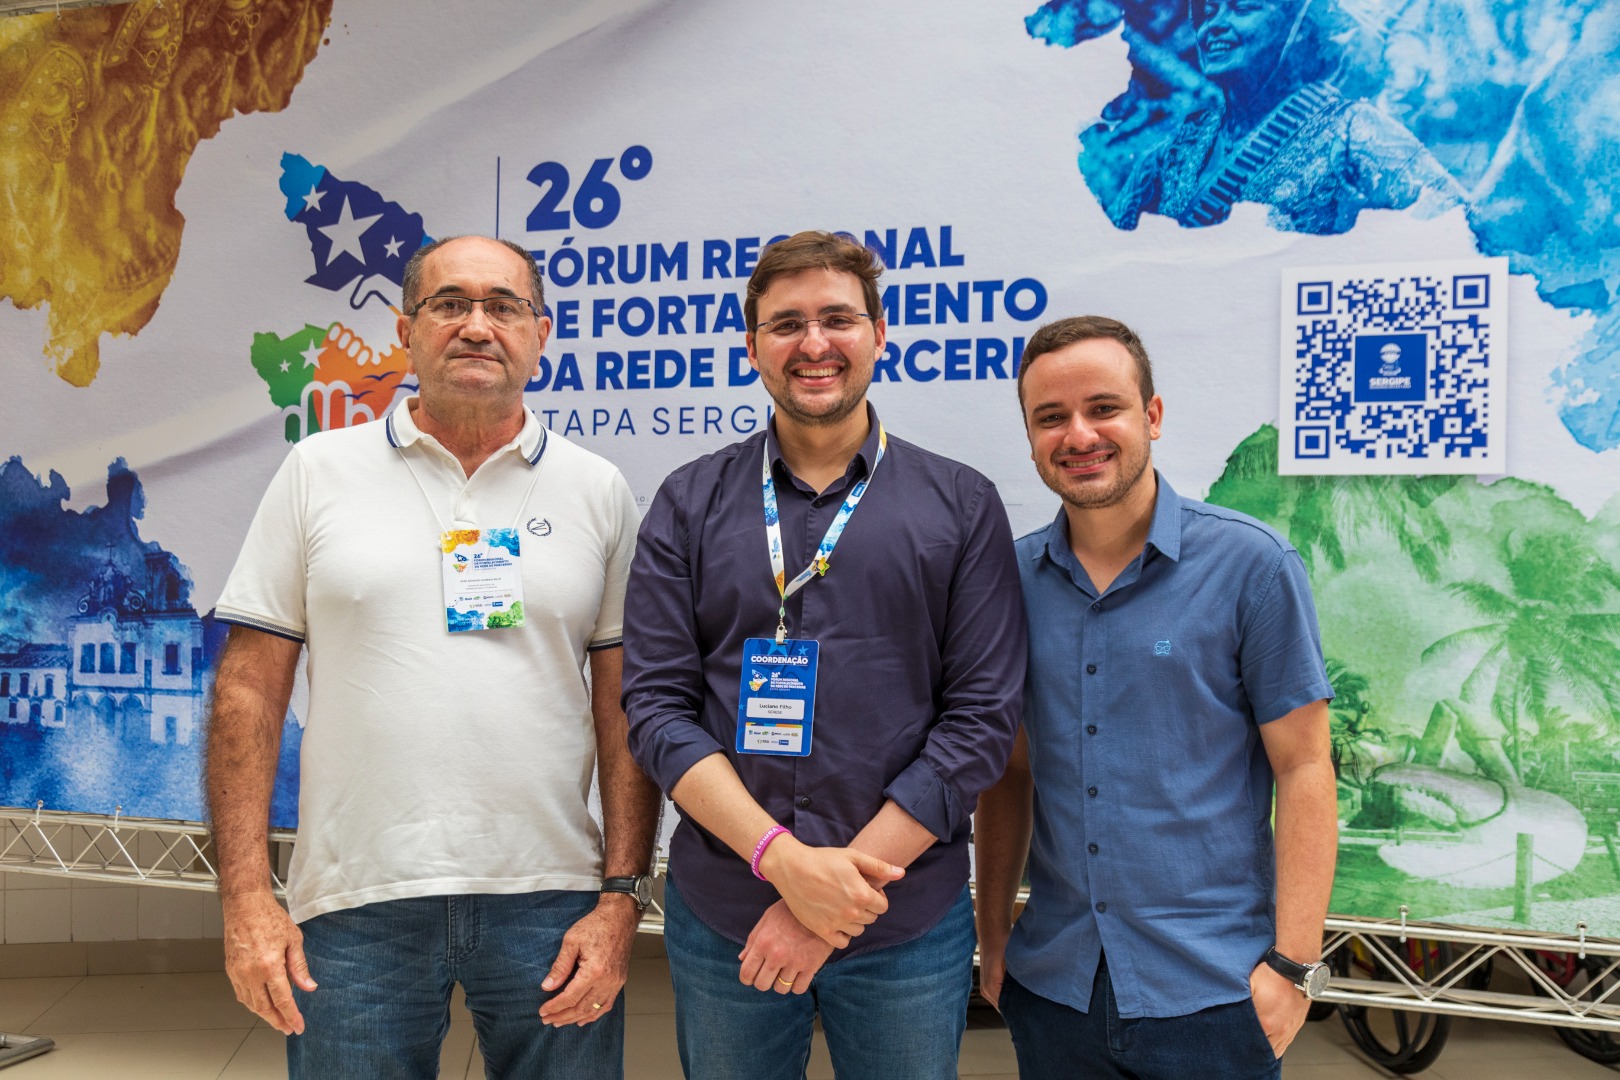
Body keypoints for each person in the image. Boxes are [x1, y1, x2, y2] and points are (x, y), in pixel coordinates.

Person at [206, 234, 662, 1078]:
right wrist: (244, 897)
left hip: (550, 898)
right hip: (354, 900)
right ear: (406, 329)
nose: (477, 326)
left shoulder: (598, 489)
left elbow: (626, 705)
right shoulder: (316, 471)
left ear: (541, 333)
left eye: (503, 307)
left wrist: (622, 897)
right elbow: (248, 691)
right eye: (450, 304)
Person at [622, 230, 1026, 1080]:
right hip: (728, 911)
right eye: (787, 324)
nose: (814, 344)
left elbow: (981, 722)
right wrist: (783, 863)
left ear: (880, 336)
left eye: (838, 319)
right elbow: (656, 710)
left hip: (904, 924)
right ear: (752, 347)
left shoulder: (962, 505)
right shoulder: (688, 503)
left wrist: (831, 900)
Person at [975, 315, 1338, 1079]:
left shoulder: (1252, 566)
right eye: (1051, 417)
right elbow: (1009, 772)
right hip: (1056, 988)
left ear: (1153, 415)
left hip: (1216, 992)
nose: (1079, 434)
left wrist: (1294, 967)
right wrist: (994, 937)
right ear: (1031, 436)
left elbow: (1306, 767)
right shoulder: (1008, 581)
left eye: (1103, 407)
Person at [1110, 0, 1461, 234]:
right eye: (1209, 11)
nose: (1214, 26)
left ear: (1300, 25)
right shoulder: (1175, 150)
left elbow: (1461, 230)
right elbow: (1119, 243)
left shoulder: (1357, 132)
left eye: (1243, 8)